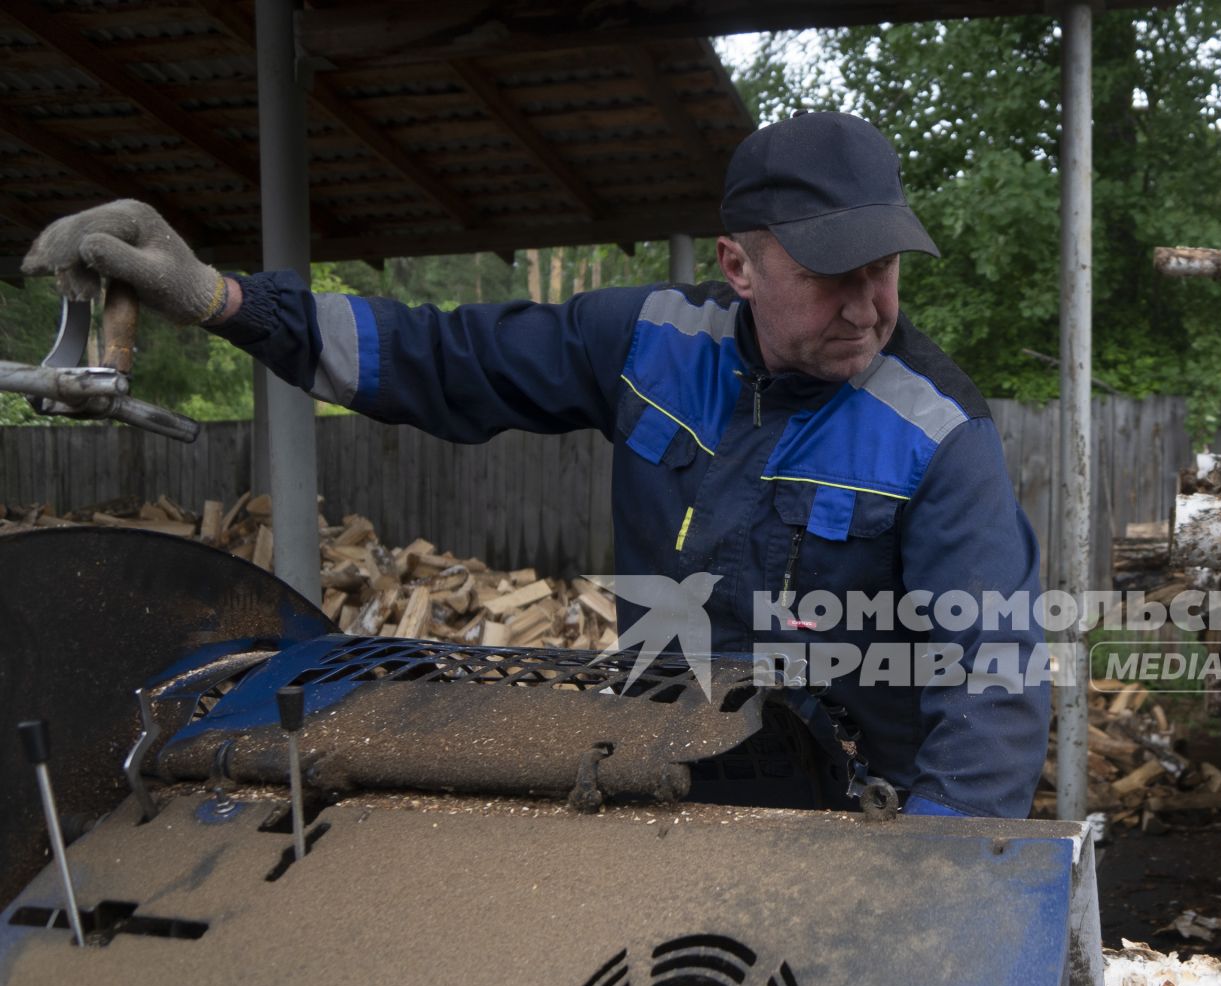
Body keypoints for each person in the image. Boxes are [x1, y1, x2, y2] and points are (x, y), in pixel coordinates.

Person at [23, 111, 1050, 820]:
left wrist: (938, 874)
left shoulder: (937, 434)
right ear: (739, 265)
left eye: (885, 270)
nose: (870, 305)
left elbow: (993, 689)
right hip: (665, 772)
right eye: (835, 276)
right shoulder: (651, 341)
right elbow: (440, 357)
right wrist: (223, 301)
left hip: (854, 806)